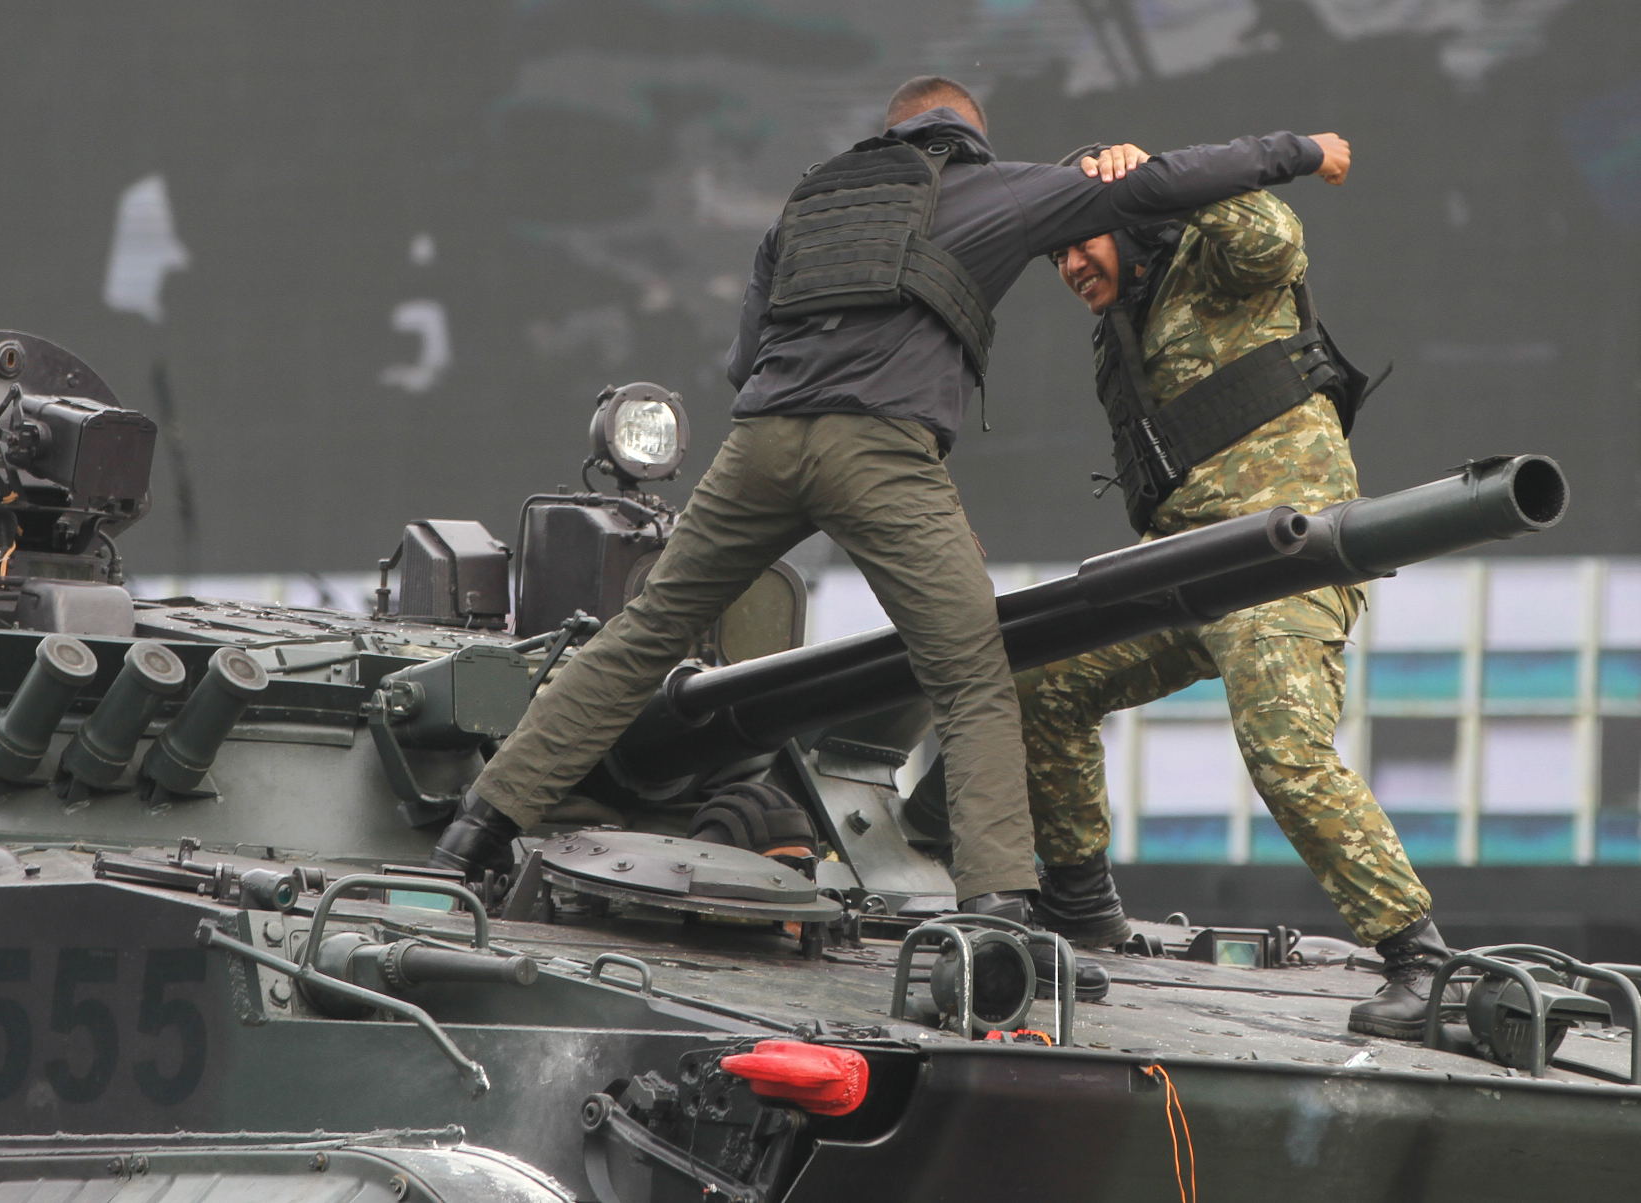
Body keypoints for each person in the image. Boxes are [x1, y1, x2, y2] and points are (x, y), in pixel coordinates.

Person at [431, 73, 1353, 926]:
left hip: (758, 443)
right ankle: (995, 911)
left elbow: (740, 362)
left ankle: (474, 830)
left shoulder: (808, 203)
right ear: (967, 135)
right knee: (970, 668)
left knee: (639, 639)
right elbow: (1168, 185)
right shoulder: (994, 188)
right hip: (877, 448)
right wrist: (1304, 150)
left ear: (894, 132)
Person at [1023, 145, 1446, 1038]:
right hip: (1185, 564)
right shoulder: (1127, 325)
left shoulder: (1217, 266)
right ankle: (1079, 904)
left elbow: (1273, 233)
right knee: (1046, 682)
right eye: (1053, 253)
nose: (1067, 266)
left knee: (1282, 750)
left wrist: (1156, 175)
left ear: (1133, 223)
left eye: (1079, 242)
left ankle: (1420, 959)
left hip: (1282, 553)